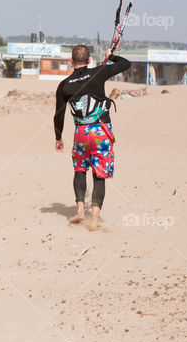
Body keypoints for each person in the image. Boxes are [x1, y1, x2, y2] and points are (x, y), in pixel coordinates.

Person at [53, 45, 130, 228]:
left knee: (80, 170)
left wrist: (58, 137)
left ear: (71, 61)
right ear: (89, 60)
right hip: (101, 132)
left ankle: (80, 210)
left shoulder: (64, 85)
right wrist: (110, 56)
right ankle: (94, 217)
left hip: (81, 133)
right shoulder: (99, 72)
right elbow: (126, 64)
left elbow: (58, 115)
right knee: (99, 175)